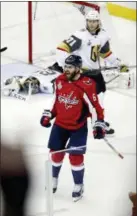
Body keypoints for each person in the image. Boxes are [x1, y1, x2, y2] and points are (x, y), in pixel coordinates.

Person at [48, 9, 129, 135]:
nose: (91, 24)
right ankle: (80, 123)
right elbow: (61, 48)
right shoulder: (80, 36)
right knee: (84, 101)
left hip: (96, 73)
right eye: (89, 21)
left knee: (100, 98)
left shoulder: (103, 35)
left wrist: (118, 63)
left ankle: (98, 122)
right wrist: (67, 66)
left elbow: (105, 52)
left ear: (98, 22)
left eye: (94, 21)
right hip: (83, 74)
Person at [40, 54, 106, 202]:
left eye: (69, 67)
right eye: (65, 66)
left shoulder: (87, 84)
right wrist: (48, 114)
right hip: (60, 125)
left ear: (78, 68)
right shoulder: (60, 80)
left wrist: (98, 124)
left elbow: (95, 108)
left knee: (75, 157)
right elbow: (55, 100)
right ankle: (54, 179)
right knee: (55, 154)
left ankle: (78, 184)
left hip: (78, 127)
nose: (66, 69)